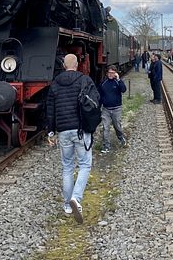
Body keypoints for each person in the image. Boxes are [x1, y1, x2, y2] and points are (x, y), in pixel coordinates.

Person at [45, 53, 100, 224]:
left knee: (67, 167)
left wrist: (51, 132)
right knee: (84, 165)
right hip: (81, 130)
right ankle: (76, 198)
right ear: (76, 65)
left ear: (63, 65)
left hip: (63, 131)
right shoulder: (84, 80)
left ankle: (68, 206)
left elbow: (50, 109)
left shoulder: (55, 83)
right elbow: (96, 102)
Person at [98, 66, 127, 153]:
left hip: (116, 109)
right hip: (106, 109)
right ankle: (106, 145)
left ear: (115, 73)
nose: (110, 75)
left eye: (112, 73)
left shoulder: (117, 82)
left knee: (117, 126)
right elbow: (100, 96)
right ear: (107, 73)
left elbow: (124, 89)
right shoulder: (103, 83)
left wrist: (118, 80)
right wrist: (98, 107)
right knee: (105, 127)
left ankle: (121, 137)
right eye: (109, 73)